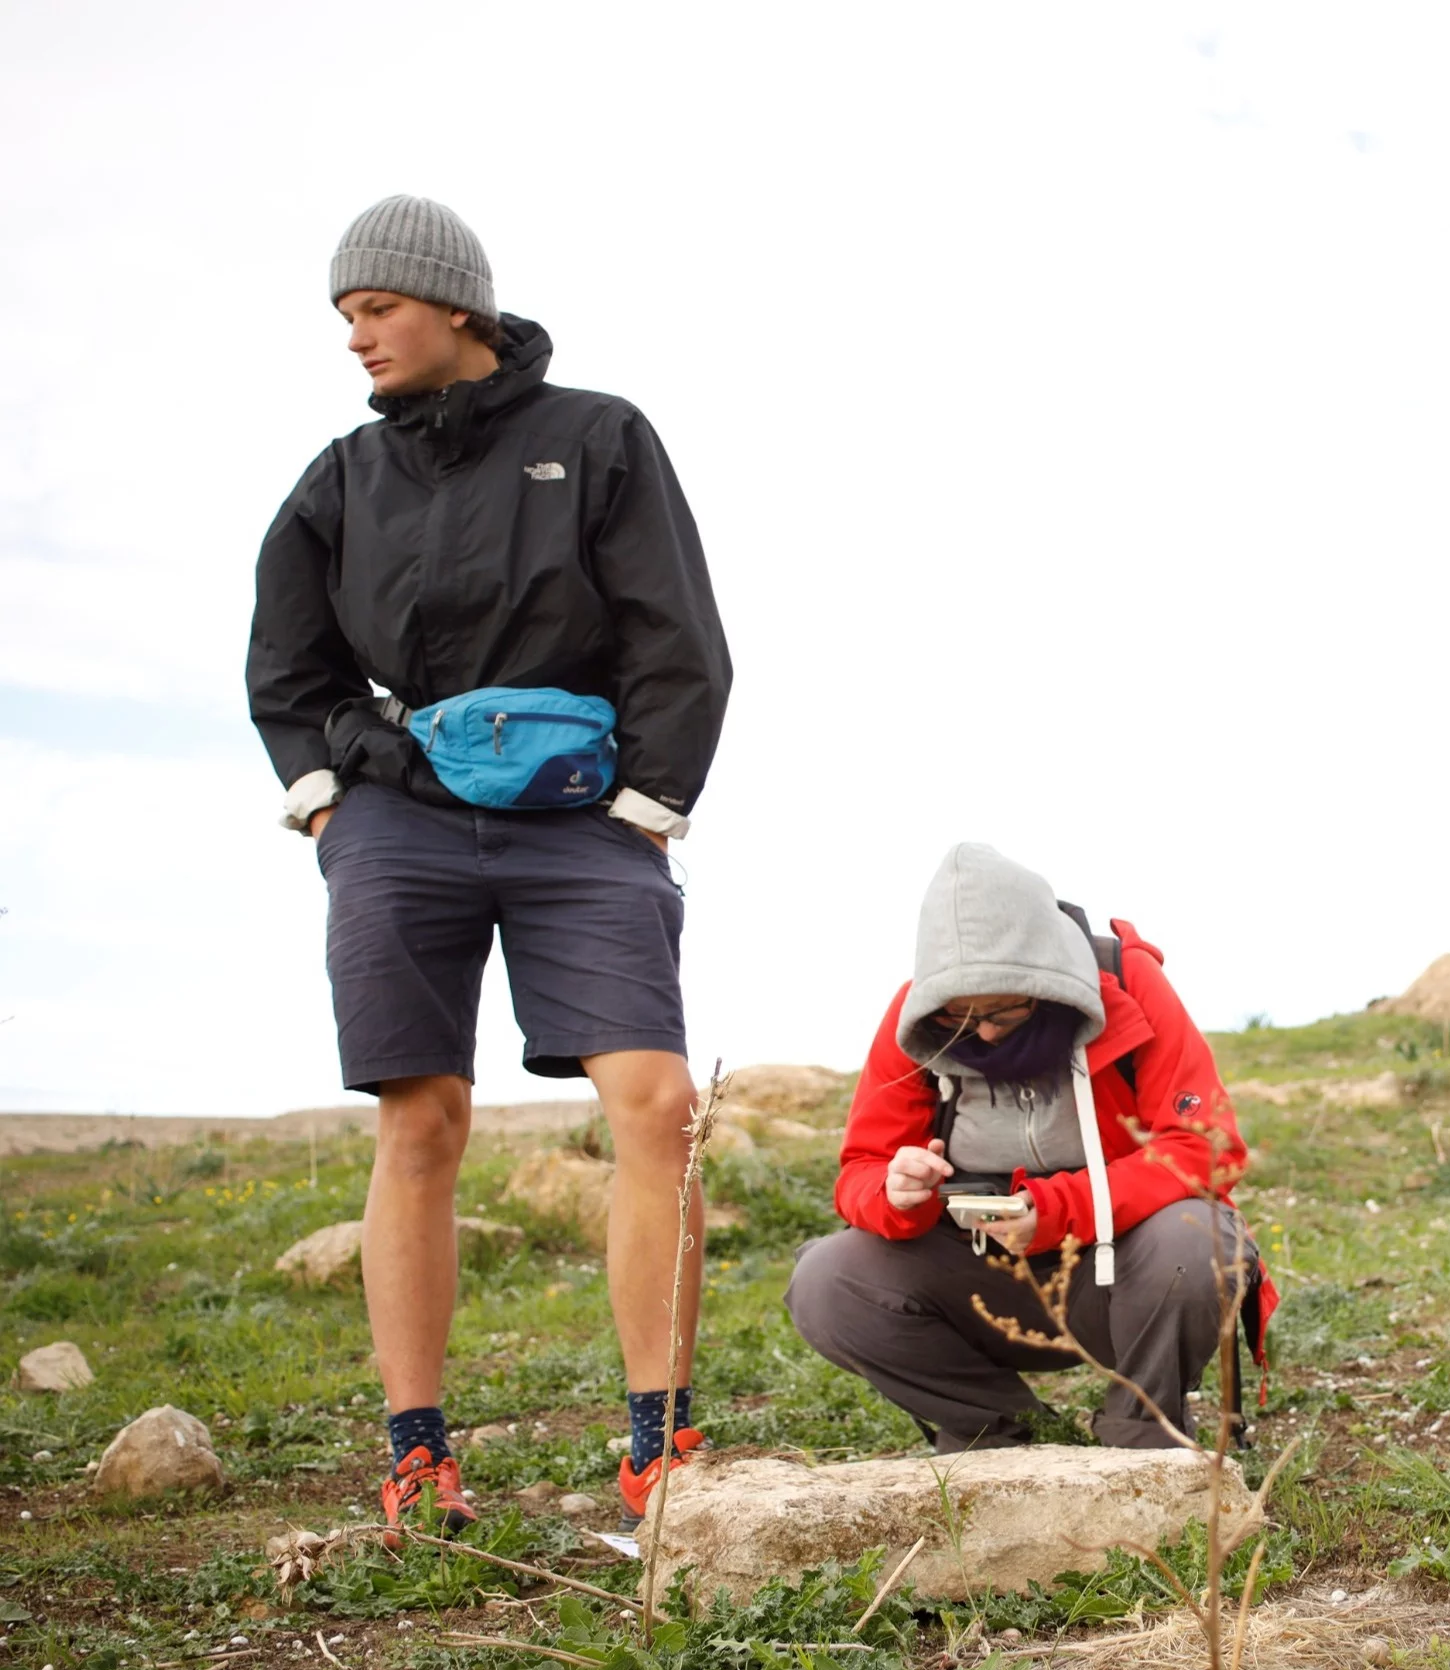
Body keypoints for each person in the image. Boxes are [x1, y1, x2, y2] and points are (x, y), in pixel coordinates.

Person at [246, 195, 734, 1535]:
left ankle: (660, 1441)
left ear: (452, 304)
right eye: (345, 317)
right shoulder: (341, 477)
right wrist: (327, 807)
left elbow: (675, 632)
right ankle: (418, 1455)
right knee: (422, 1121)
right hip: (397, 818)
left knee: (655, 1104)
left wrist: (647, 807)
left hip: (582, 817)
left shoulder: (597, 437)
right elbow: (287, 665)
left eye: (376, 310)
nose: (357, 339)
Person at [787, 844, 1272, 1451]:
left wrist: (1060, 1209)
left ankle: (1144, 1438)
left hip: (1121, 1272)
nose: (984, 1030)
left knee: (1194, 1240)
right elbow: (861, 1167)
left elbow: (1207, 1147)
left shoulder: (1126, 982)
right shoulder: (915, 1018)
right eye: (961, 1016)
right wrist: (893, 1190)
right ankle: (1005, 1434)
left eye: (1004, 1009)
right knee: (827, 1281)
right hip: (981, 1278)